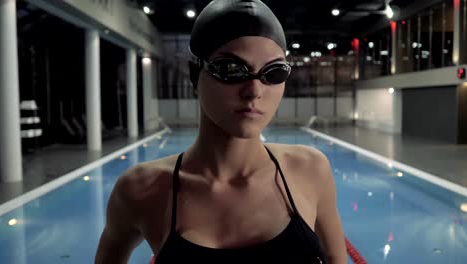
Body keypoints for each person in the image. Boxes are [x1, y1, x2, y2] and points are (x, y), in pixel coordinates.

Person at [95, 0, 347, 263]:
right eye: (231, 69)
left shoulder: (309, 170)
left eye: (273, 73)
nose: (254, 91)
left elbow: (336, 258)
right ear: (195, 75)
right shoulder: (141, 189)